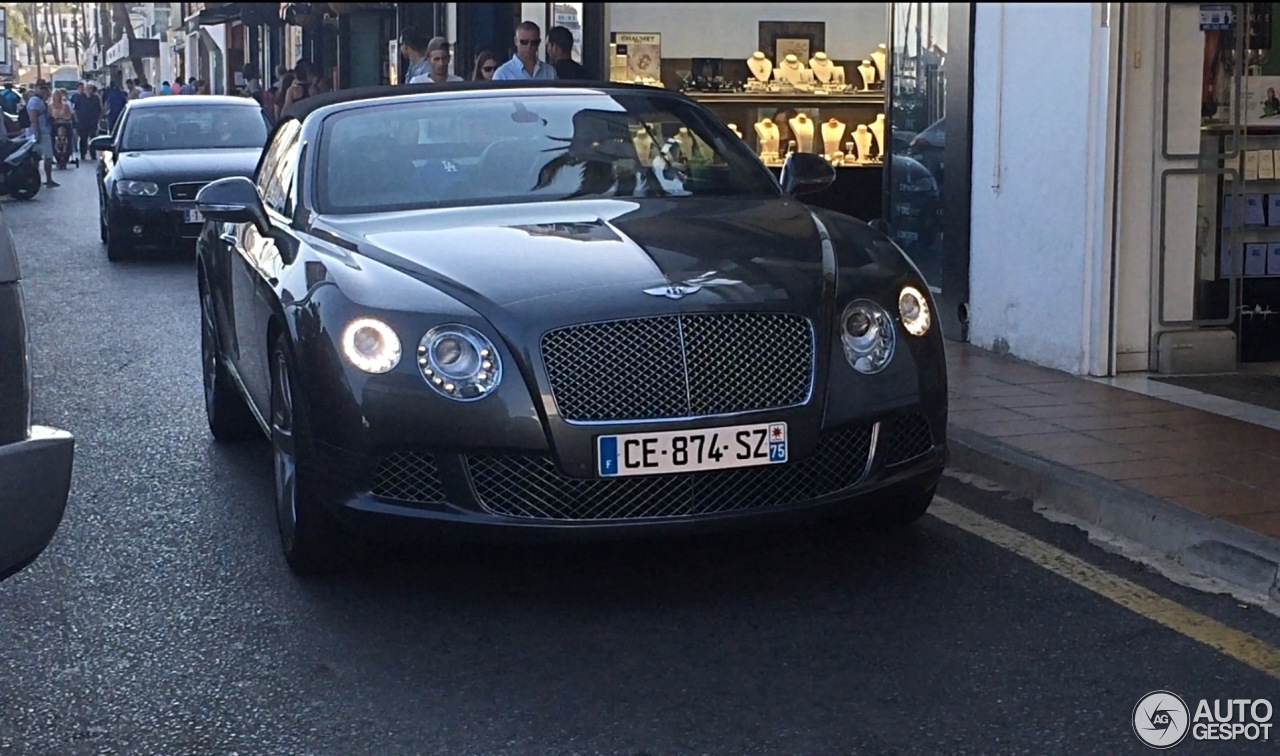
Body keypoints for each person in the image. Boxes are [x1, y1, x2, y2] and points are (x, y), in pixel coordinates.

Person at [492, 21, 558, 81]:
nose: (529, 46)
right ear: (515, 41)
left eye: (534, 42)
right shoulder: (502, 74)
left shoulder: (550, 72)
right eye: (524, 42)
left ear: (539, 43)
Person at [26, 83, 58, 187]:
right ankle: (43, 179)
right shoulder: (35, 101)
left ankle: (38, 180)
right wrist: (36, 133)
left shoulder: (39, 101)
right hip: (40, 133)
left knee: (37, 157)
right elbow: (33, 117)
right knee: (45, 157)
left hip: (41, 132)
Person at [76, 83, 103, 159]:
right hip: (82, 121)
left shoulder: (96, 98)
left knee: (93, 138)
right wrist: (77, 119)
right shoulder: (80, 98)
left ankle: (93, 154)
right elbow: (76, 109)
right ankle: (83, 153)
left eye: (91, 88)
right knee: (83, 138)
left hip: (93, 121)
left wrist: (99, 119)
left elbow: (99, 109)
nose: (89, 90)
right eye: (87, 88)